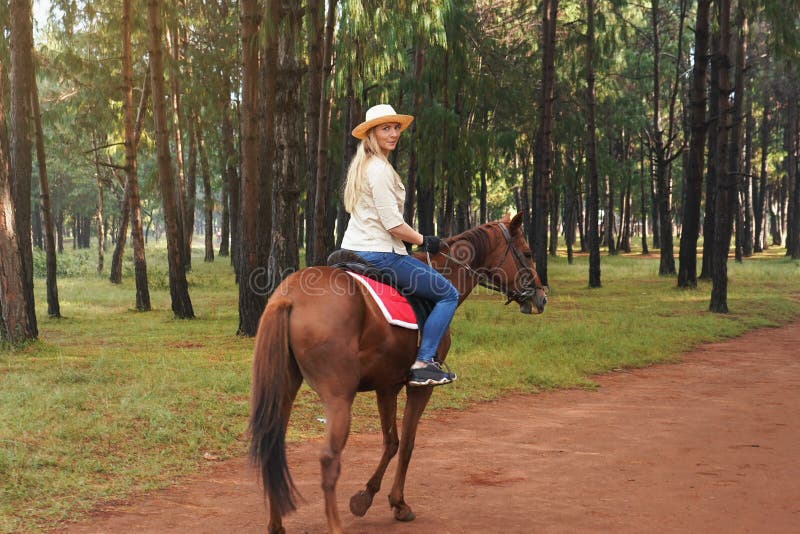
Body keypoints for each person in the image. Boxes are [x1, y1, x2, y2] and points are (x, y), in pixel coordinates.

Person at [341, 104, 459, 387]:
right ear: (371, 133)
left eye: (396, 128)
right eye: (386, 128)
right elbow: (393, 225)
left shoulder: (363, 166)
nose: (393, 134)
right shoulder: (380, 170)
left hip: (352, 249)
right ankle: (424, 361)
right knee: (448, 294)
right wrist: (425, 241)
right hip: (381, 254)